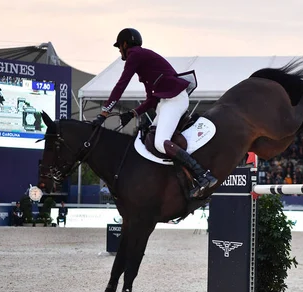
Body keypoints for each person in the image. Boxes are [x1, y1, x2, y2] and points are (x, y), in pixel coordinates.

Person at [92, 28, 217, 198]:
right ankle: (179, 181)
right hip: (166, 102)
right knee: (148, 139)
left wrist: (104, 112)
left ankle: (202, 174)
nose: (119, 50)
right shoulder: (144, 64)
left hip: (174, 100)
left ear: (125, 44)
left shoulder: (134, 55)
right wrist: (133, 113)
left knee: (160, 142)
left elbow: (120, 85)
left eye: (119, 47)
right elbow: (151, 100)